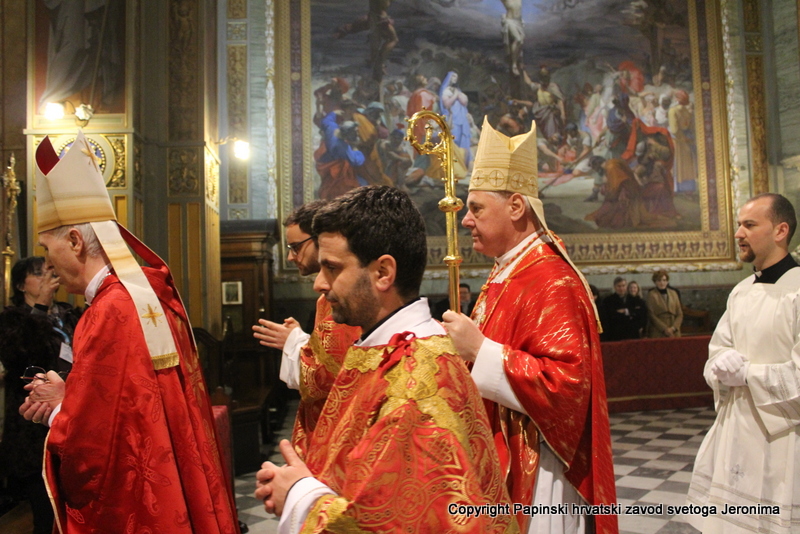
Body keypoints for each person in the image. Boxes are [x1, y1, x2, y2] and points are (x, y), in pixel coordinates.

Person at [254, 186, 516, 533]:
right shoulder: (381, 348)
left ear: (382, 273)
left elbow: (389, 523)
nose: (319, 283)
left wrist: (298, 495)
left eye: (332, 268)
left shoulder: (417, 385)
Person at [18, 131, 239, 533]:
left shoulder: (109, 312)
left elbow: (94, 444)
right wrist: (73, 394)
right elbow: (131, 403)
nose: (47, 264)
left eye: (47, 249)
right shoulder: (146, 295)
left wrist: (59, 411)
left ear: (75, 241)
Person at [442, 118, 618, 534]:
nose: (466, 220)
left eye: (476, 208)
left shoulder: (551, 280)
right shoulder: (507, 271)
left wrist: (479, 350)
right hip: (497, 447)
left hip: (538, 467)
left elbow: (567, 386)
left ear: (516, 207)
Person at [687, 193, 800, 533]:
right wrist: (721, 365)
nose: (738, 234)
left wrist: (748, 374)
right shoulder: (741, 291)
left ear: (780, 231)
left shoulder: (797, 291)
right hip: (736, 432)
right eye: (739, 225)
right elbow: (718, 351)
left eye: (749, 225)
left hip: (784, 439)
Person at [252, 201, 360, 457]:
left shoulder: (341, 297)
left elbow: (326, 377)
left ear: (319, 238)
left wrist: (293, 341)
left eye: (295, 247)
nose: (291, 256)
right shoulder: (327, 296)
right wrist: (300, 339)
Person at [0, 257, 81, 534]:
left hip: (72, 414)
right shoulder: (12, 319)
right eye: (38, 274)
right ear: (21, 285)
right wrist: (41, 308)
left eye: (50, 271)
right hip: (34, 427)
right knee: (46, 518)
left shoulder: (69, 314)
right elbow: (21, 359)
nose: (47, 278)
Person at [600, 276, 641, 341]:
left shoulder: (634, 299)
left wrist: (625, 311)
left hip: (631, 333)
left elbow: (638, 314)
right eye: (619, 286)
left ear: (626, 286)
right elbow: (608, 316)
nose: (621, 288)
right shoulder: (608, 300)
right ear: (614, 287)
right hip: (615, 333)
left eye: (623, 286)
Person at [645, 270, 682, 338]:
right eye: (659, 280)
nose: (662, 283)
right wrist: (664, 329)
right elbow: (651, 314)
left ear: (667, 281)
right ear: (655, 282)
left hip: (674, 329)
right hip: (658, 330)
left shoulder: (673, 293)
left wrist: (673, 328)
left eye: (664, 280)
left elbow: (679, 313)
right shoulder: (651, 294)